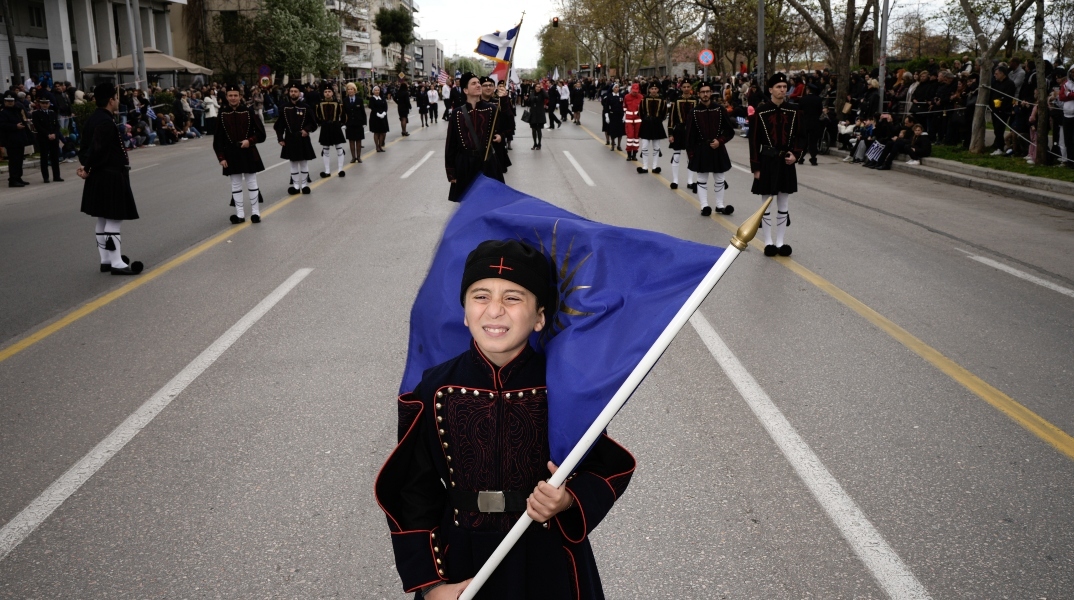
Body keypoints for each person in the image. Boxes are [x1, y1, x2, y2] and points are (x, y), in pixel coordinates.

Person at [375, 239, 635, 600]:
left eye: (513, 298)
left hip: (549, 560)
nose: (494, 310)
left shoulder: (564, 387)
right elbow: (412, 490)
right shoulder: (434, 388)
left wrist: (569, 500)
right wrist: (433, 586)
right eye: (480, 296)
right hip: (462, 564)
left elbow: (606, 467)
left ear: (540, 316)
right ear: (465, 312)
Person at [77, 82, 143, 275]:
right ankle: (116, 263)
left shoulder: (93, 119)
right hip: (110, 175)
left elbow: (84, 149)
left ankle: (106, 259)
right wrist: (87, 168)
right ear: (111, 100)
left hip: (101, 175)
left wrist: (86, 166)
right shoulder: (105, 122)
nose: (117, 101)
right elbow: (98, 149)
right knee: (114, 218)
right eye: (116, 98)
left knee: (103, 218)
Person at [749, 72, 803, 257]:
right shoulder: (761, 111)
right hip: (766, 162)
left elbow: (800, 136)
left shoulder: (794, 110)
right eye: (778, 87)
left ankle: (780, 242)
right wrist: (756, 167)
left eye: (784, 87)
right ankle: (768, 242)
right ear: (770, 89)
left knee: (784, 203)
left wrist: (796, 155)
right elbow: (754, 140)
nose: (782, 90)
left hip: (786, 162)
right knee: (766, 203)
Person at [444, 72, 503, 201]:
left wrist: (500, 135)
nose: (478, 85)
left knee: (490, 203)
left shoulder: (491, 109)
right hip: (465, 165)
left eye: (478, 83)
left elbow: (504, 126)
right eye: (474, 83)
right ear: (465, 90)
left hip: (487, 162)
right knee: (468, 205)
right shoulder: (457, 113)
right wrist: (451, 172)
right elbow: (451, 144)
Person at [215, 84, 267, 224]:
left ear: (240, 97)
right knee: (236, 184)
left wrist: (249, 141)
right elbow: (218, 139)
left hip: (248, 151)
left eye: (235, 95)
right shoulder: (222, 114)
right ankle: (240, 214)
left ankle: (256, 213)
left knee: (251, 182)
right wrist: (221, 157)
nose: (233, 98)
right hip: (230, 153)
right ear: (226, 97)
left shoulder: (249, 112)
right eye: (230, 95)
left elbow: (261, 134)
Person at [686, 81, 735, 217]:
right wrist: (691, 155)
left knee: (720, 178)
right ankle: (704, 206)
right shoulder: (694, 112)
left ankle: (719, 205)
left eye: (707, 91)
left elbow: (729, 131)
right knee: (702, 178)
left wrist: (720, 141)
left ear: (711, 93)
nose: (705, 94)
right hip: (701, 149)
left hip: (717, 148)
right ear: (698, 94)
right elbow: (689, 136)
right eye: (703, 92)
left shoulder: (719, 109)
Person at [274, 83, 318, 195]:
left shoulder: (305, 107)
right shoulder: (284, 108)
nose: (293, 93)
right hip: (290, 138)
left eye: (295, 91)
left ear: (299, 93)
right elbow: (279, 126)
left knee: (303, 162)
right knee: (293, 163)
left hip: (302, 138)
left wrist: (306, 130)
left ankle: (304, 185)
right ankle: (295, 186)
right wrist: (280, 138)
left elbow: (313, 123)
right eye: (291, 91)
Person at [666, 83, 696, 190]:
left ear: (691, 88)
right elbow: (671, 119)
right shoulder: (676, 101)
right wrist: (670, 134)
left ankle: (690, 181)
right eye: (684, 87)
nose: (686, 89)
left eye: (688, 86)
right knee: (677, 156)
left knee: (691, 156)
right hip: (679, 131)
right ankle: (675, 180)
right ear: (681, 88)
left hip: (692, 132)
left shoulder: (695, 101)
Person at [315, 85, 348, 179]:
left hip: (335, 127)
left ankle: (340, 169)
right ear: (323, 93)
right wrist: (321, 123)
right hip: (325, 127)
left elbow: (343, 115)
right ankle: (327, 171)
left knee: (339, 148)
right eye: (325, 91)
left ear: (332, 93)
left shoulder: (338, 103)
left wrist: (341, 124)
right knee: (325, 149)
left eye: (329, 91)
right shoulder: (319, 104)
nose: (327, 93)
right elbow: (317, 116)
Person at [0, 94, 32, 187]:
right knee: (14, 160)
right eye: (8, 101)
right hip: (11, 140)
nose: (10, 103)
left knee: (19, 160)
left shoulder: (17, 110)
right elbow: (2, 125)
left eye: (11, 101)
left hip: (19, 138)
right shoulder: (3, 113)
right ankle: (13, 180)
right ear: (5, 102)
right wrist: (15, 126)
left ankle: (18, 177)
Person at [637, 83, 668, 174]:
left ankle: (655, 166)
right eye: (652, 89)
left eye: (655, 88)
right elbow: (641, 112)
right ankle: (645, 167)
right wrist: (646, 119)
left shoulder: (662, 100)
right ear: (649, 90)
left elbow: (664, 112)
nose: (654, 90)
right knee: (645, 146)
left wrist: (658, 120)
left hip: (657, 124)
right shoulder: (644, 99)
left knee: (656, 147)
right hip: (646, 124)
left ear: (658, 90)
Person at [30, 96, 63, 182]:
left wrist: (55, 134)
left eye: (46, 103)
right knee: (44, 158)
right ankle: (46, 177)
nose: (45, 105)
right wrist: (47, 134)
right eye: (43, 103)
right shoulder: (36, 114)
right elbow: (38, 126)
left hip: (53, 138)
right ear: (40, 104)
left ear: (49, 104)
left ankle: (57, 176)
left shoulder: (52, 113)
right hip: (43, 138)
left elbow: (57, 125)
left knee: (55, 158)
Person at [797, 84, 823, 166]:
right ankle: (813, 158)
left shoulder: (802, 99)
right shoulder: (818, 99)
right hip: (814, 123)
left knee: (804, 141)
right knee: (813, 142)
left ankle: (801, 158)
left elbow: (799, 111)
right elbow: (820, 111)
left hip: (804, 123)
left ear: (808, 90)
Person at [343, 82, 367, 163]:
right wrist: (343, 123)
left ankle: (359, 157)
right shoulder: (345, 100)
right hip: (349, 123)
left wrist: (364, 122)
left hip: (358, 123)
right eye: (348, 89)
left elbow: (363, 112)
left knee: (358, 140)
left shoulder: (359, 100)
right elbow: (343, 113)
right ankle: (353, 157)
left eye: (351, 89)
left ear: (355, 90)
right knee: (351, 140)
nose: (350, 91)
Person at [623, 83, 643, 162]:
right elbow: (624, 107)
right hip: (629, 119)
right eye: (633, 91)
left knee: (636, 138)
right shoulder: (627, 97)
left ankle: (634, 154)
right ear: (631, 90)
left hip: (638, 119)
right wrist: (625, 115)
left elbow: (642, 108)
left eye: (636, 91)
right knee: (630, 137)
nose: (635, 93)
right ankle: (629, 154)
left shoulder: (641, 97)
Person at [603, 83, 625, 152]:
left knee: (620, 131)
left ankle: (619, 145)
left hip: (620, 115)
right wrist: (607, 116)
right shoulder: (609, 96)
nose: (617, 88)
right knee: (612, 131)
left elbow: (624, 106)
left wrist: (624, 115)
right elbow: (606, 107)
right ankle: (612, 145)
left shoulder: (621, 96)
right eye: (616, 87)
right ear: (613, 89)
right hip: (612, 115)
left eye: (618, 87)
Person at [526, 82, 548, 150]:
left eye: (539, 87)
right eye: (536, 87)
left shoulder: (542, 93)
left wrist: (542, 89)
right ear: (534, 87)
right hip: (533, 113)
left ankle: (539, 144)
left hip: (540, 113)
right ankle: (535, 143)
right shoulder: (532, 93)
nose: (537, 88)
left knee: (538, 129)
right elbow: (529, 103)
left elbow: (547, 97)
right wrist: (526, 99)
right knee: (533, 129)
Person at [368, 85, 389, 152]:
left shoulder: (382, 98)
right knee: (376, 132)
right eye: (375, 90)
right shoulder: (372, 99)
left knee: (382, 132)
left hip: (383, 117)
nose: (377, 91)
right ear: (373, 91)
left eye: (378, 90)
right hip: (375, 117)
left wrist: (384, 113)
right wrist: (377, 113)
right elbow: (371, 106)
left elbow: (385, 107)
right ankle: (377, 146)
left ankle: (380, 145)